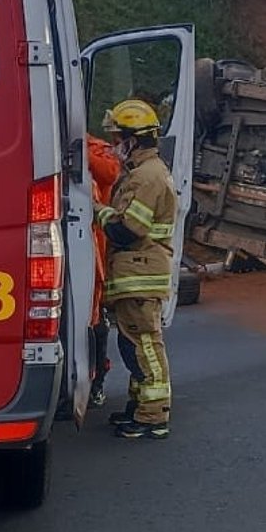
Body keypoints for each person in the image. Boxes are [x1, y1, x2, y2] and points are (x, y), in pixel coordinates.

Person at [96, 98, 177, 440]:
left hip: (141, 274)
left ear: (134, 138)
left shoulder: (146, 177)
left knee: (144, 345)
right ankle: (139, 406)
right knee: (133, 346)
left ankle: (153, 415)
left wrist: (96, 209)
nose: (115, 146)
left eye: (118, 138)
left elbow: (127, 230)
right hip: (137, 274)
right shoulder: (144, 172)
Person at [87, 131, 121, 406]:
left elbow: (109, 173)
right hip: (78, 245)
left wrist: (80, 152)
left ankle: (97, 380)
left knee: (96, 320)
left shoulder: (96, 150)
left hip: (94, 247)